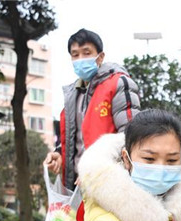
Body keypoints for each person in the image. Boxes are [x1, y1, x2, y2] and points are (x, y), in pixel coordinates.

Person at [44, 28, 141, 191]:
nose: (80, 59)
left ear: (100, 57)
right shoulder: (72, 95)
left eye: (86, 53)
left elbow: (131, 136)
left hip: (109, 185)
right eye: (75, 55)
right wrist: (59, 154)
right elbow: (74, 139)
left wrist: (96, 171)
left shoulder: (119, 83)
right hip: (76, 186)